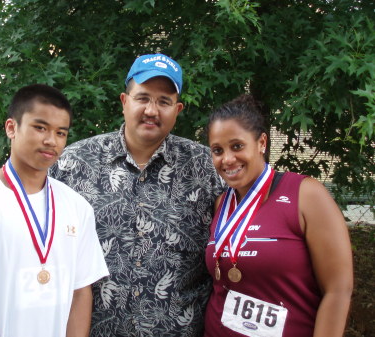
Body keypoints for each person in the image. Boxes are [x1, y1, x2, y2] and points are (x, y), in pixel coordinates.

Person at [50, 53, 224, 336]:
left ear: (177, 109)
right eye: (142, 98)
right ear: (124, 101)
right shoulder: (71, 164)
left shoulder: (208, 168)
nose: (152, 110)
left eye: (164, 101)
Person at [0, 84, 109, 337]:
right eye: (40, 127)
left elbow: (80, 291)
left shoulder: (77, 207)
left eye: (60, 132)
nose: (51, 140)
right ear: (12, 128)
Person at [203, 94, 353, 337]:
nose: (227, 159)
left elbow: (338, 290)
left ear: (262, 143)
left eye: (237, 146)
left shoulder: (305, 195)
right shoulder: (222, 203)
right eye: (217, 150)